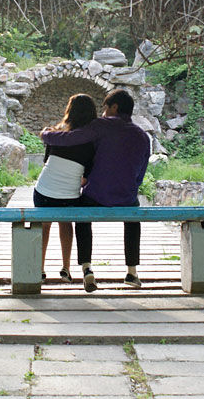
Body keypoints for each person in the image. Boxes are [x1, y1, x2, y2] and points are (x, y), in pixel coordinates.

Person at [41, 88, 150, 292]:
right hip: (126, 198)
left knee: (82, 212)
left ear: (114, 107)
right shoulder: (143, 136)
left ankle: (87, 268)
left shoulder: (101, 126)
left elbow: (70, 138)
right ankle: (132, 272)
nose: (102, 112)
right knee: (133, 216)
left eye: (105, 107)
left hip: (96, 196)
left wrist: (46, 135)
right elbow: (140, 175)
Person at [33, 93, 97, 283]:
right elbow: (86, 176)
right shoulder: (92, 141)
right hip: (69, 195)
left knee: (44, 226)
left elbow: (47, 162)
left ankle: (40, 270)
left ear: (69, 110)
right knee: (66, 223)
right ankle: (66, 269)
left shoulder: (56, 133)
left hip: (43, 190)